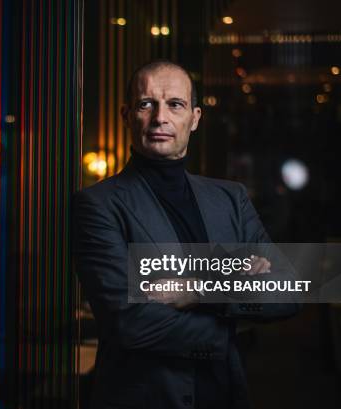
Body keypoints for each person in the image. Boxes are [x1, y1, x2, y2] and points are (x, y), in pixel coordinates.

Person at [72, 60, 298, 409]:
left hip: (226, 396)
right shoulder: (98, 205)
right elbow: (129, 324)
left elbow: (286, 293)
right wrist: (236, 322)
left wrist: (196, 289)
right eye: (147, 103)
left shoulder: (230, 198)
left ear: (194, 118)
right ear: (127, 114)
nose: (160, 117)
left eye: (174, 104)